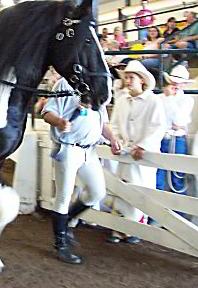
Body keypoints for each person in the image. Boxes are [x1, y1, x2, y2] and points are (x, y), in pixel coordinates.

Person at [42, 78, 118, 264]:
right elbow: (47, 112)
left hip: (89, 150)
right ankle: (60, 245)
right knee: (63, 196)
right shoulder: (64, 84)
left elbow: (102, 122)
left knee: (97, 192)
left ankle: (67, 221)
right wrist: (59, 121)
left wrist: (113, 139)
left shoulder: (99, 84)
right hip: (68, 148)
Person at [109, 60, 166, 243]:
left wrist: (144, 145)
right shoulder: (121, 100)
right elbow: (115, 124)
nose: (127, 80)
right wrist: (116, 140)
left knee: (141, 190)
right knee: (123, 188)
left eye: (131, 77)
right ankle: (119, 229)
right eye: (126, 77)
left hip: (143, 156)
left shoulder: (154, 101)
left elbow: (158, 128)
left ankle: (136, 230)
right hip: (126, 153)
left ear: (142, 80)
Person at [156, 66, 195, 196]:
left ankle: (179, 212)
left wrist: (169, 98)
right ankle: (156, 211)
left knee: (177, 177)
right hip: (162, 137)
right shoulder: (159, 98)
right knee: (158, 176)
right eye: (174, 81)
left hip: (177, 139)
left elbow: (178, 122)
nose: (176, 85)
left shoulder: (188, 100)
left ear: (184, 85)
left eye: (180, 82)